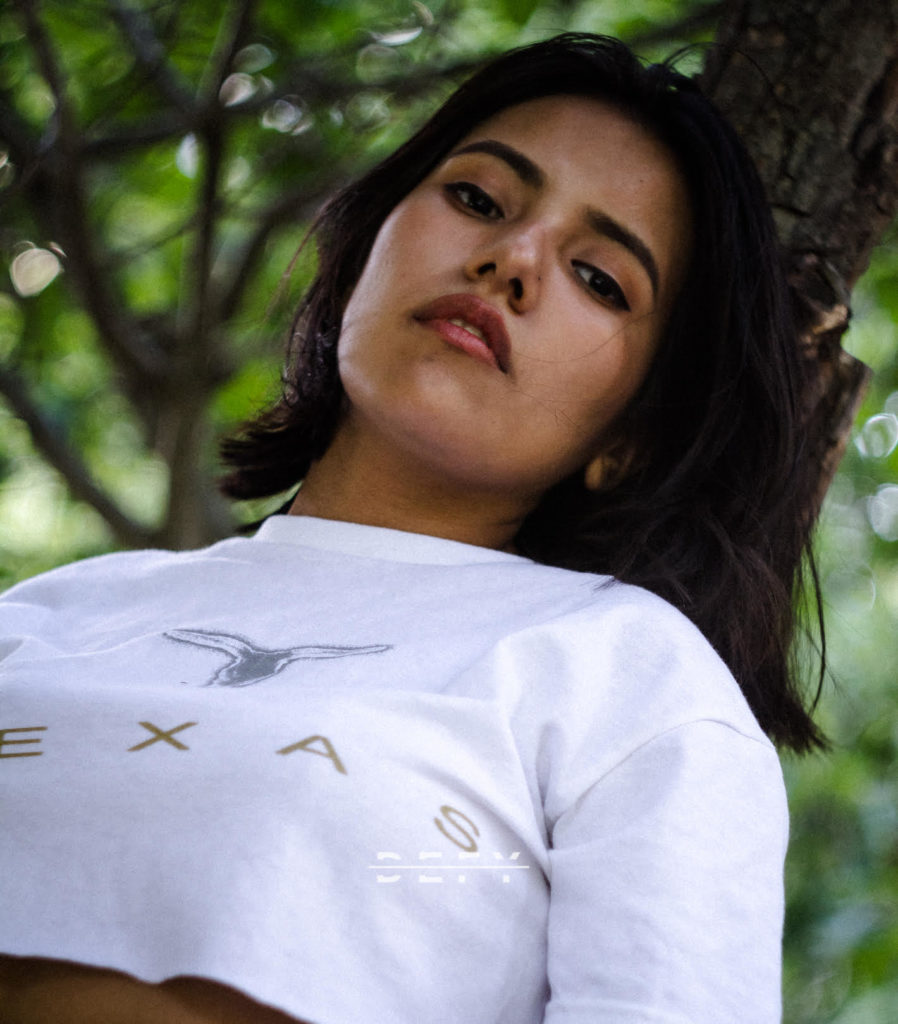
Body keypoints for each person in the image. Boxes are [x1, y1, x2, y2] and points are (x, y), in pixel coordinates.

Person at [0, 32, 824, 1024]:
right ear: (361, 253)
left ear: (633, 437)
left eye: (600, 277)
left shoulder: (630, 677)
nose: (512, 258)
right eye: (477, 198)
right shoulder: (52, 613)